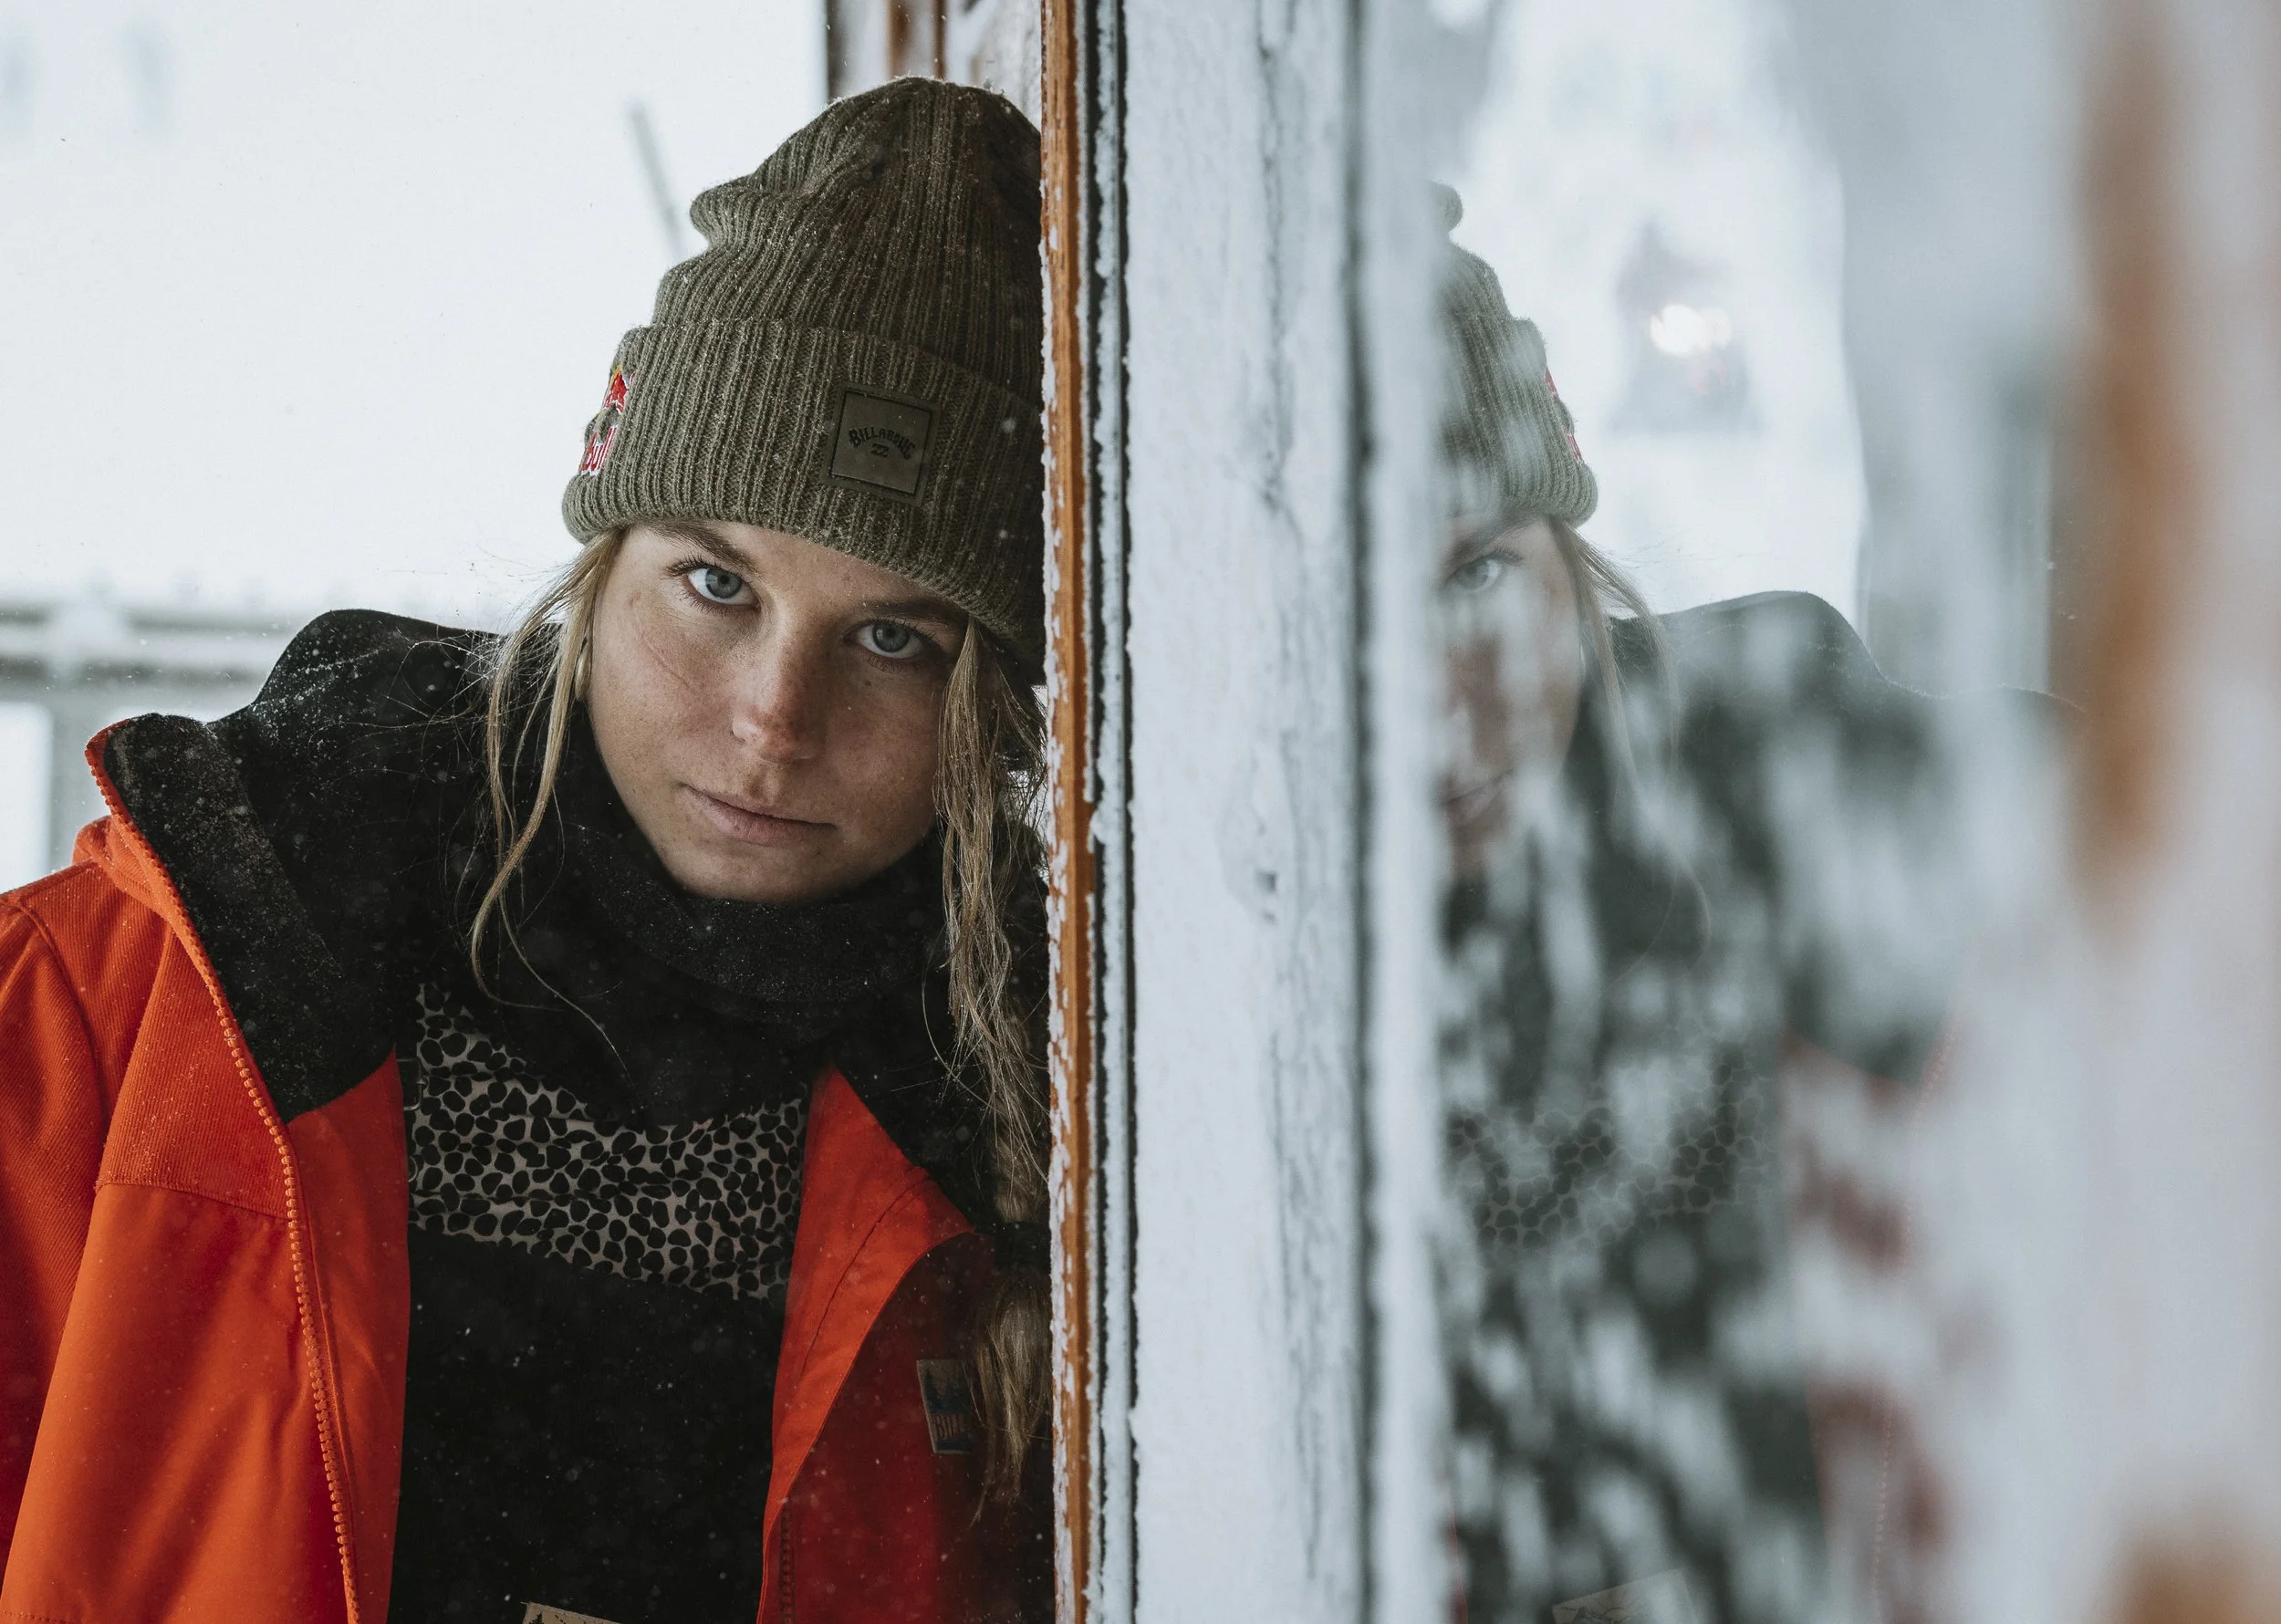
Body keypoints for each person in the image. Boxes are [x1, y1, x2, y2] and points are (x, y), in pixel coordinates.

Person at [0, 78, 1052, 1624]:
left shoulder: (1025, 1133)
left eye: (896, 638)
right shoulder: (132, 1000)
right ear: (600, 572)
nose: (774, 720)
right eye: (717, 586)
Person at [1432, 191, 2046, 1624]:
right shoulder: (1260, 962)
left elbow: (2109, 822)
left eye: (1475, 573)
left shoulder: (1754, 747)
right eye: (1352, 608)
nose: (1437, 702)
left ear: (1562, 545)